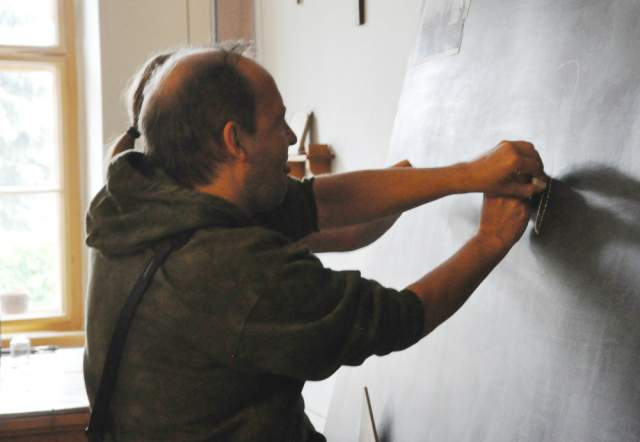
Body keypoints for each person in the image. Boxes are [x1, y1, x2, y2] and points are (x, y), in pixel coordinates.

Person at [84, 45, 547, 441]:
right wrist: (490, 240)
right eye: (278, 122)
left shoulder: (140, 206)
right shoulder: (234, 270)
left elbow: (320, 202)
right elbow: (396, 318)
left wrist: (468, 175)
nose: (290, 138)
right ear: (234, 141)